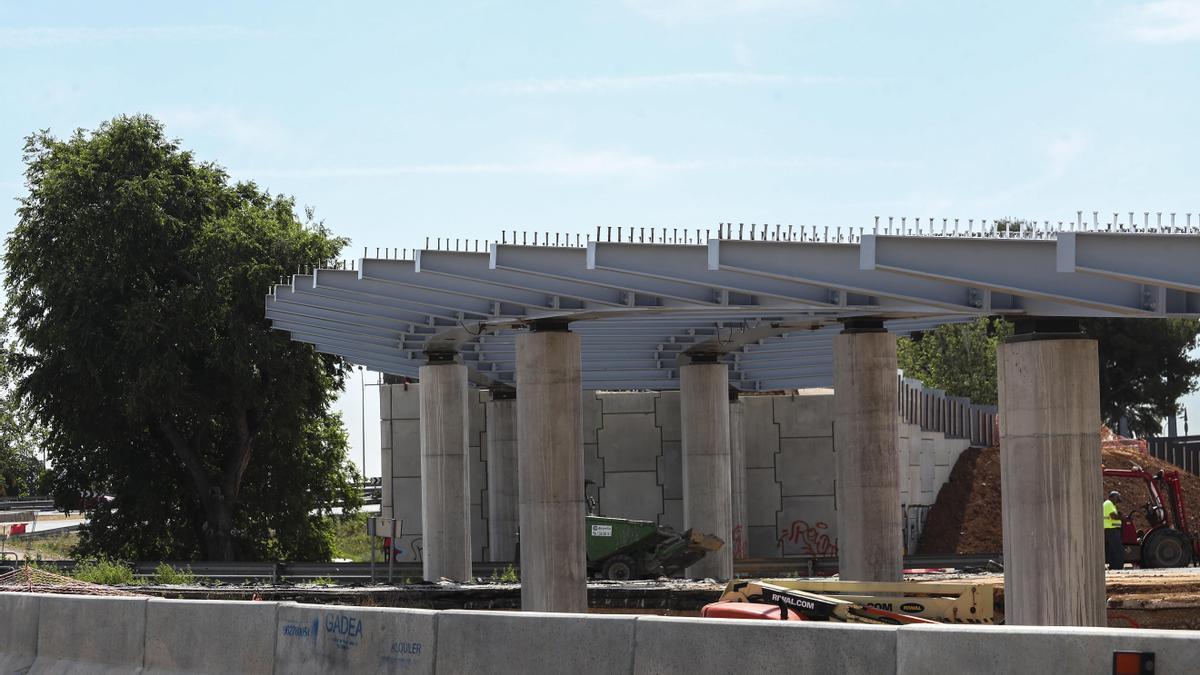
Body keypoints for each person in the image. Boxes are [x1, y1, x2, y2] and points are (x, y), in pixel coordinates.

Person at [1103, 490, 1124, 570]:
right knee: (1117, 549)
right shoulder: (1108, 503)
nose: (1117, 500)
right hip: (1111, 529)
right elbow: (1113, 516)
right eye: (1117, 498)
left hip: (1111, 530)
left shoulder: (1111, 505)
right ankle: (1117, 567)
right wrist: (1122, 518)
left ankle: (1113, 566)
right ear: (1112, 497)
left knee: (1112, 549)